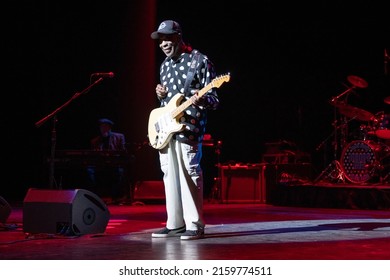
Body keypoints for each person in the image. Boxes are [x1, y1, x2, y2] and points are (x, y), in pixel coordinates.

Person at [150, 20, 220, 240]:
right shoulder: (165, 65)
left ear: (179, 37)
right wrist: (160, 94)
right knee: (169, 174)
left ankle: (195, 224)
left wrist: (202, 99)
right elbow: (168, 99)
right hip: (166, 128)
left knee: (190, 173)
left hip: (189, 127)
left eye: (167, 38)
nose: (163, 44)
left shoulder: (200, 61)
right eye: (161, 40)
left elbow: (214, 100)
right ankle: (175, 224)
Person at [87, 118, 127, 204]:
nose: (103, 129)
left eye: (105, 127)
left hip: (115, 164)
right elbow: (93, 155)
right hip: (101, 164)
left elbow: (123, 151)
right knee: (90, 170)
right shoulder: (95, 141)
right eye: (101, 127)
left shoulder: (119, 137)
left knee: (119, 172)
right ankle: (96, 196)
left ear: (109, 128)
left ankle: (117, 197)